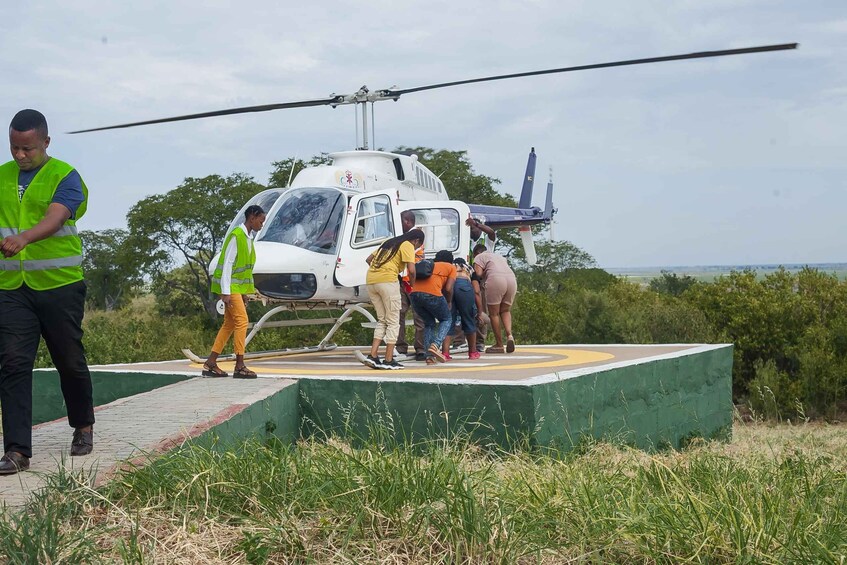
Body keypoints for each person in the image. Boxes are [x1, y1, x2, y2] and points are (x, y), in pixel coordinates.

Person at [0, 109, 94, 474]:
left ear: (46, 143)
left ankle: (83, 426)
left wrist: (23, 238)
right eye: (14, 148)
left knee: (69, 360)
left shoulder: (65, 176)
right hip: (11, 288)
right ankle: (17, 451)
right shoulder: (2, 177)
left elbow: (57, 216)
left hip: (60, 286)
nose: (20, 155)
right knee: (12, 364)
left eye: (28, 148)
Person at [204, 205, 267, 379]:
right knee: (242, 321)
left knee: (229, 324)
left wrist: (245, 292)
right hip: (230, 288)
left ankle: (211, 362)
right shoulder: (237, 236)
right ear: (252, 217)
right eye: (261, 221)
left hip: (236, 288)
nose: (262, 224)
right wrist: (225, 293)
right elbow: (227, 266)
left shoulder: (248, 237)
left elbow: (244, 270)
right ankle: (239, 365)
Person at [362, 228, 425, 370]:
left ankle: (373, 356)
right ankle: (389, 359)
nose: (415, 248)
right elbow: (412, 270)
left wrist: (379, 272)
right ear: (416, 241)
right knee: (393, 321)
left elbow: (368, 260)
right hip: (388, 281)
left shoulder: (388, 241)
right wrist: (412, 286)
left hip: (371, 280)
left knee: (382, 319)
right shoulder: (408, 244)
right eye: (418, 246)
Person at [410, 249, 457, 365]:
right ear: (450, 261)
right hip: (433, 294)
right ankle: (436, 345)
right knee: (446, 319)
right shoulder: (451, 268)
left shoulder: (429, 265)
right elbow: (448, 288)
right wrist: (449, 302)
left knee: (429, 323)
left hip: (414, 295)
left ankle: (429, 357)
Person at [473, 243, 518, 354]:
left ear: (476, 253)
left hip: (495, 279)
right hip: (512, 279)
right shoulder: (499, 256)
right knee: (505, 310)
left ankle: (499, 344)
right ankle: (509, 336)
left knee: (494, 314)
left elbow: (478, 273)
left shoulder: (479, 257)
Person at [395, 210, 426, 360]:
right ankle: (400, 347)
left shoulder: (416, 236)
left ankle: (420, 348)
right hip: (403, 280)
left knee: (418, 315)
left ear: (407, 221)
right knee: (400, 313)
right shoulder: (405, 237)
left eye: (401, 220)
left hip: (415, 281)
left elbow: (411, 262)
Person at [442, 257, 485, 360]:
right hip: (464, 288)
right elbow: (477, 291)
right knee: (469, 320)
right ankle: (473, 352)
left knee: (448, 321)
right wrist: (479, 312)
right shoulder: (469, 268)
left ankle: (445, 353)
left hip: (449, 288)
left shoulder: (450, 268)